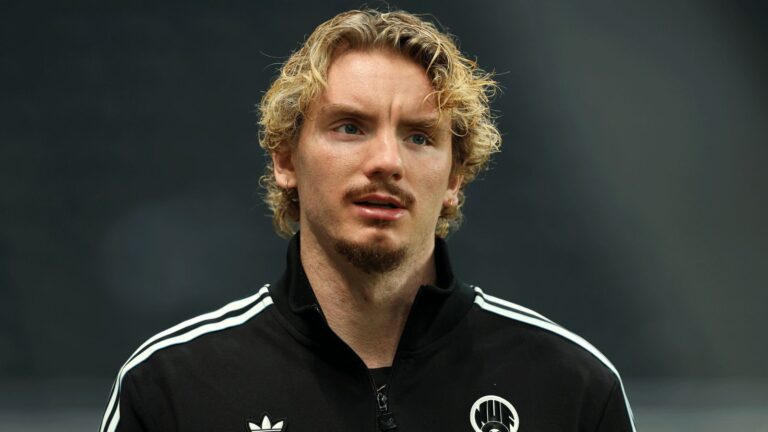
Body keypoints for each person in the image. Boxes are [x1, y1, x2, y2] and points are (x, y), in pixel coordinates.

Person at [100, 9, 636, 432]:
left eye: (419, 136)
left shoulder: (572, 388)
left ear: (455, 177)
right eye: (350, 127)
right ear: (286, 160)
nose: (386, 161)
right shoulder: (172, 387)